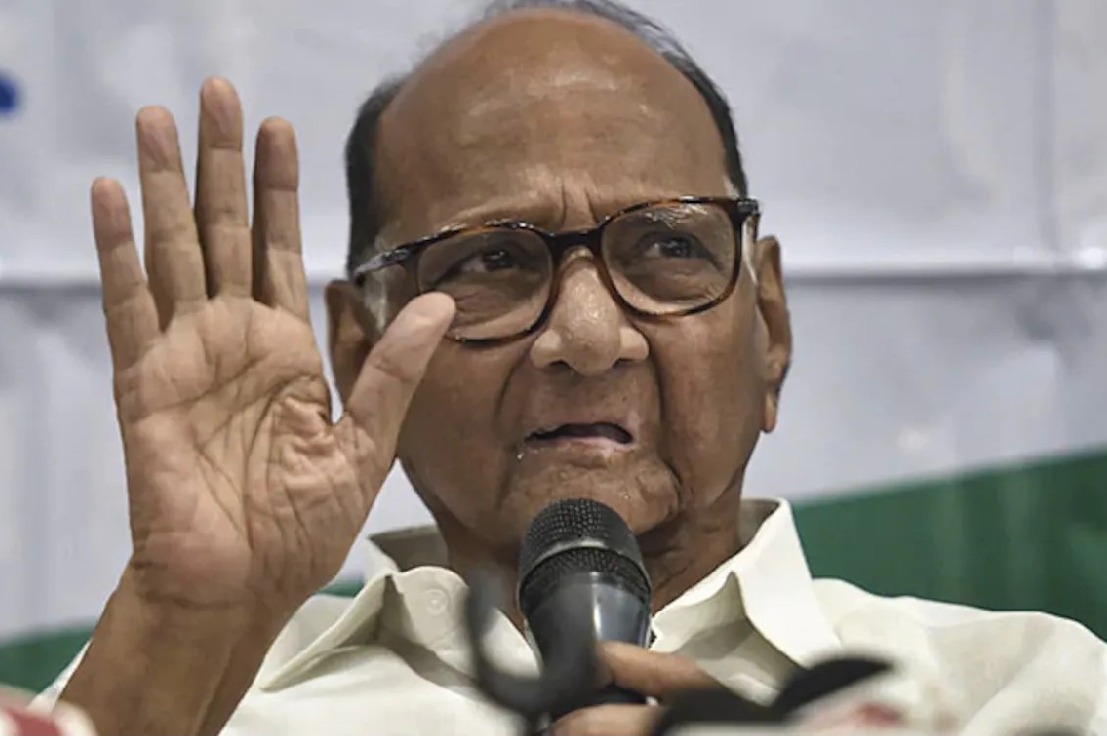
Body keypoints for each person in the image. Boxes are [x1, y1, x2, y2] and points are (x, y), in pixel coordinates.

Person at [40, 0, 1107, 734]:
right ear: (363, 351)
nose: (589, 336)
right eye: (491, 261)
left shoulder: (1025, 697)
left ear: (770, 325)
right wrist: (185, 627)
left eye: (668, 246)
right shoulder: (177, 698)